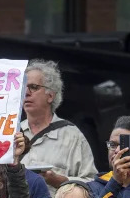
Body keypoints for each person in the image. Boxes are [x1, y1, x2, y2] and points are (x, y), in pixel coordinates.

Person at [19, 60, 98, 190]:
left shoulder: (72, 136)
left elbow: (92, 184)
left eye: (33, 87)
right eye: (23, 87)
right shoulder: (11, 133)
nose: (26, 93)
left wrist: (62, 181)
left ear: (50, 96)